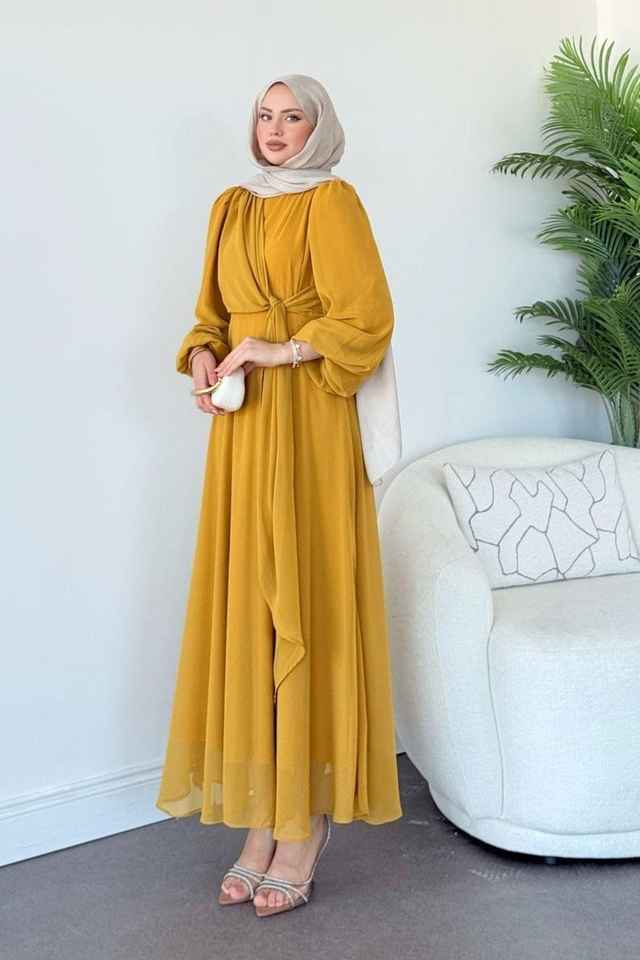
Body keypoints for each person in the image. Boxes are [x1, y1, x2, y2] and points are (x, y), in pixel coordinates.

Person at [155, 73, 403, 918]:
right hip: (244, 428)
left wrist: (278, 349)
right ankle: (263, 818)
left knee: (305, 598)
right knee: (251, 611)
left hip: (309, 423)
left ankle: (305, 825)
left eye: (292, 116)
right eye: (265, 115)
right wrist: (204, 355)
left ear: (318, 128)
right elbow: (209, 314)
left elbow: (366, 317)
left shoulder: (333, 203)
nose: (275, 128)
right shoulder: (231, 206)